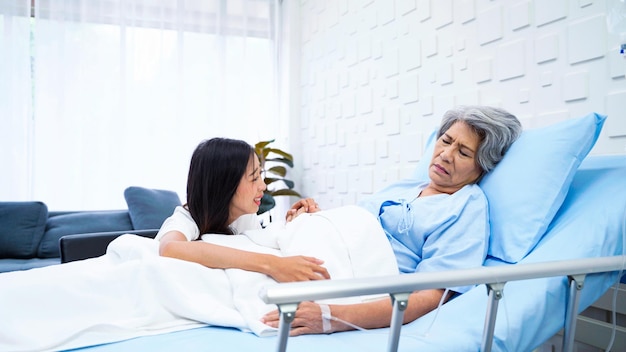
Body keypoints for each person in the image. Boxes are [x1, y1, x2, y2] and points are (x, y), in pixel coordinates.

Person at [261, 105, 522, 335]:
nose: (445, 154)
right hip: (321, 258)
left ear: (482, 167)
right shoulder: (406, 187)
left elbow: (430, 295)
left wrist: (333, 317)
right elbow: (356, 227)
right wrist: (316, 217)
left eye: (463, 152)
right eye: (445, 140)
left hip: (359, 278)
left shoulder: (466, 207)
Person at [156, 137, 330, 283]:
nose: (262, 186)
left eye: (260, 175)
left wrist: (293, 223)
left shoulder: (245, 216)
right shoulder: (184, 220)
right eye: (254, 178)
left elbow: (258, 247)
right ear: (224, 185)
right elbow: (170, 248)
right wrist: (273, 264)